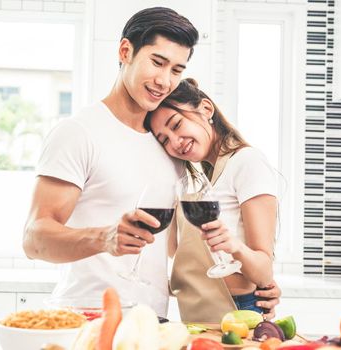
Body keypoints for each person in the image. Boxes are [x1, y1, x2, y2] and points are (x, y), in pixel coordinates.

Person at [23, 6, 280, 318]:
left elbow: (180, 249)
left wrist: (255, 285)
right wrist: (103, 238)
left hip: (153, 322)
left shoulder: (171, 149)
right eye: (157, 62)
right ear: (125, 51)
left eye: (176, 70)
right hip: (87, 316)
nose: (164, 80)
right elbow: (34, 239)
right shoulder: (78, 132)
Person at [146, 78, 279, 319]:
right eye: (164, 139)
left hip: (237, 311)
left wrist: (234, 245)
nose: (175, 142)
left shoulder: (247, 162)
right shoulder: (197, 184)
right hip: (197, 313)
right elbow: (180, 260)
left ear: (206, 109)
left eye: (176, 124)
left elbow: (263, 273)